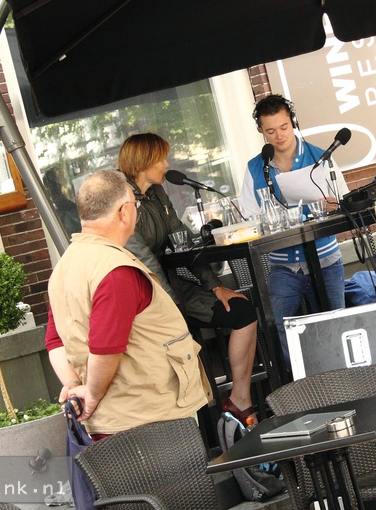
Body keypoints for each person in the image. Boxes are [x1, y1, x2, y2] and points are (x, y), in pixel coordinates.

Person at [44, 169, 210, 435]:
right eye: (135, 205)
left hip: (111, 420)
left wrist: (76, 387)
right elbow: (105, 349)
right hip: (149, 419)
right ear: (124, 212)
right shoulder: (115, 271)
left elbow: (55, 341)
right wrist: (93, 394)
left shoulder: (63, 267)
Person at [118, 133, 260, 426]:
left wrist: (216, 286)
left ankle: (239, 399)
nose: (167, 164)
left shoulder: (157, 194)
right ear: (144, 163)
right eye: (161, 159)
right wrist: (171, 306)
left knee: (244, 311)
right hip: (145, 296)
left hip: (173, 288)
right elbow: (145, 262)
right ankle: (194, 424)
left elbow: (182, 242)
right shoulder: (123, 200)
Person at [238, 94, 350, 367]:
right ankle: (304, 379)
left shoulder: (320, 156)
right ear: (261, 131)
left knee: (337, 325)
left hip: (326, 260)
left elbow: (344, 200)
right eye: (271, 131)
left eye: (284, 127)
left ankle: (343, 381)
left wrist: (332, 204)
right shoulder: (255, 168)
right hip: (283, 267)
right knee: (276, 322)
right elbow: (249, 217)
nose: (279, 136)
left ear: (293, 122)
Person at [42, 165, 81, 235]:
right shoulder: (69, 208)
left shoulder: (53, 210)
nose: (69, 185)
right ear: (58, 186)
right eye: (65, 181)